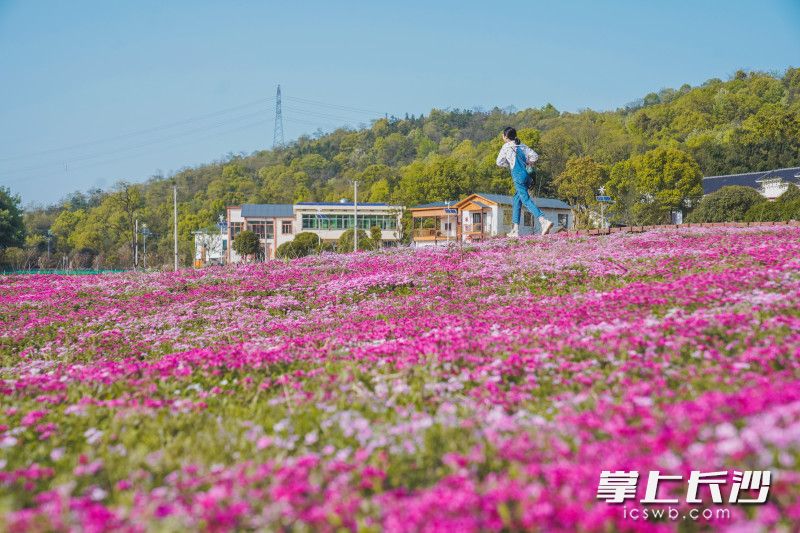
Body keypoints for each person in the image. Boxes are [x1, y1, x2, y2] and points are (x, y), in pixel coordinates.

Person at [496, 127, 553, 236]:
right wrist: (528, 162)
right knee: (517, 199)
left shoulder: (506, 147)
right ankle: (515, 229)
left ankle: (543, 220)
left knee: (526, 200)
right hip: (527, 175)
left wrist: (509, 164)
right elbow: (535, 156)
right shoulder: (521, 145)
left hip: (518, 175)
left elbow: (499, 162)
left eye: (503, 135)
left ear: (505, 136)